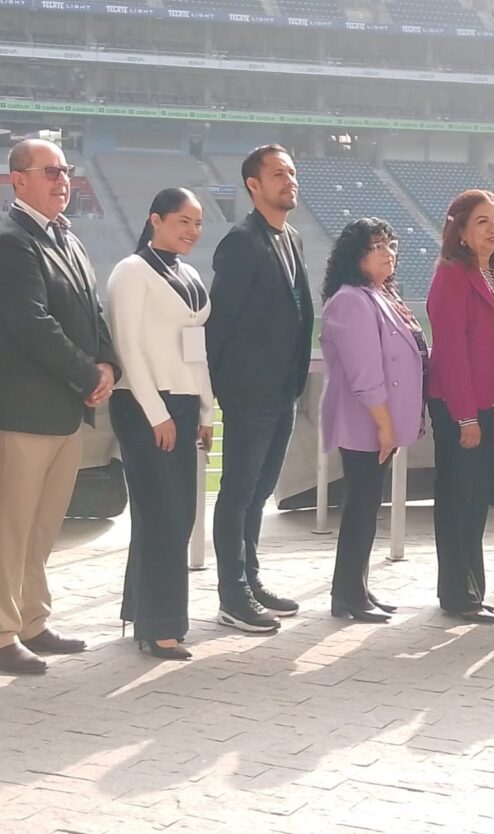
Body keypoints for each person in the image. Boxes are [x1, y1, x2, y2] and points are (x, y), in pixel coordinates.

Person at [0, 139, 120, 675]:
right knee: (10, 528)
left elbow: (93, 312)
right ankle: (3, 633)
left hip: (65, 411)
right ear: (18, 180)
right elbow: (32, 324)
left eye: (66, 170)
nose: (62, 179)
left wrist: (108, 364)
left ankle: (32, 620)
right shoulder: (11, 240)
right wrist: (87, 374)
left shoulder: (67, 238)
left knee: (43, 526)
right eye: (50, 171)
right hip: (23, 412)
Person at [206, 144, 315, 633]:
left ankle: (250, 579)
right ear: (253, 185)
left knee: (260, 493)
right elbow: (219, 326)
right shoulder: (241, 242)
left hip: (283, 391)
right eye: (277, 174)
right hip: (249, 395)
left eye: (291, 172)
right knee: (238, 493)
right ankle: (233, 596)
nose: (289, 180)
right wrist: (216, 394)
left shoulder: (291, 237)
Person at [106, 188, 213, 661]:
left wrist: (206, 409)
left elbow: (195, 349)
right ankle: (161, 626)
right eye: (182, 221)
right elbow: (127, 346)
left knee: (177, 513)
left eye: (198, 223)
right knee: (165, 515)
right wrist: (157, 413)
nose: (192, 231)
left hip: (183, 404)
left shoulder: (189, 275)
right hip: (144, 405)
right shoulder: (131, 272)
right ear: (155, 220)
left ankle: (142, 610)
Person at [320, 218, 425, 622]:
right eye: (377, 246)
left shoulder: (379, 295)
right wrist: (384, 425)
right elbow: (364, 373)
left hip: (379, 421)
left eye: (390, 245)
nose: (388, 253)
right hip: (365, 421)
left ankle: (356, 588)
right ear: (356, 255)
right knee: (360, 508)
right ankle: (348, 595)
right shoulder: (350, 300)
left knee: (367, 507)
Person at [426, 190, 494, 624]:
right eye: (482, 221)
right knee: (458, 499)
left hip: (491, 402)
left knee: (476, 501)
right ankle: (457, 594)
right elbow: (451, 353)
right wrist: (465, 417)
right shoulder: (452, 276)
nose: (493, 228)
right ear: (460, 231)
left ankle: (472, 589)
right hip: (461, 407)